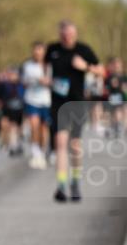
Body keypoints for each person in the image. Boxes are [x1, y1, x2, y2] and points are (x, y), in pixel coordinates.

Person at [47, 20, 102, 202]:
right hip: (58, 103)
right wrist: (45, 80)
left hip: (77, 102)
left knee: (75, 145)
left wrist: (85, 67)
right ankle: (61, 185)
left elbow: (102, 72)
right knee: (60, 142)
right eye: (64, 34)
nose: (68, 37)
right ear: (60, 34)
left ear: (75, 34)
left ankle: (75, 182)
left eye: (71, 34)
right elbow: (44, 69)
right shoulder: (52, 50)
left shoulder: (84, 50)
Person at [20, 41, 52, 169]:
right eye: (36, 50)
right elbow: (24, 81)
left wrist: (49, 82)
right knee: (34, 126)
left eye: (40, 50)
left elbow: (56, 81)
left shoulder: (50, 65)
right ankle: (35, 153)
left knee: (44, 129)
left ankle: (42, 152)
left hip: (47, 101)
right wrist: (37, 80)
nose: (38, 53)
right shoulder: (28, 65)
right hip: (32, 100)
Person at [105, 57, 125, 139]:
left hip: (122, 96)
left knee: (122, 112)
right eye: (115, 65)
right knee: (114, 112)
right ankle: (114, 128)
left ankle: (120, 128)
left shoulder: (123, 76)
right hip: (114, 97)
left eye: (118, 65)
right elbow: (107, 86)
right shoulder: (110, 77)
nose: (117, 66)